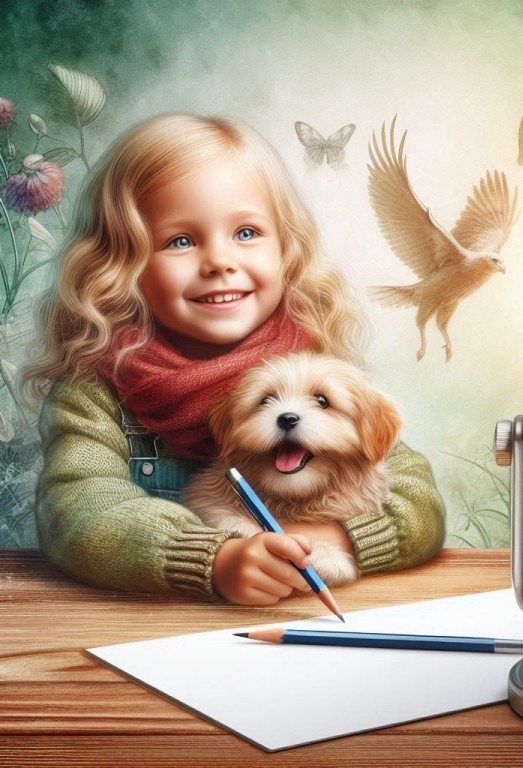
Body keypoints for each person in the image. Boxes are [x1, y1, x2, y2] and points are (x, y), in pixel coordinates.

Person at [20, 113, 445, 605]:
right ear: (122, 265)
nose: (219, 261)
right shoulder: (96, 389)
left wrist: (333, 540)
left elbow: (417, 499)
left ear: (287, 250)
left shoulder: (309, 365)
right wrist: (214, 558)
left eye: (246, 233)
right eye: (180, 240)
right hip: (148, 628)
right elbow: (78, 511)